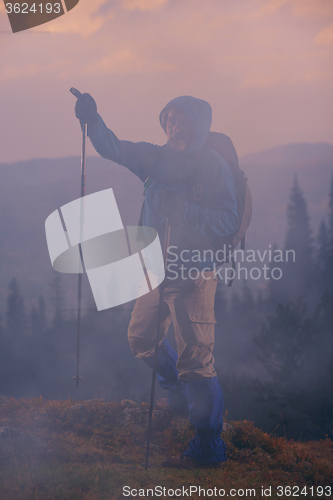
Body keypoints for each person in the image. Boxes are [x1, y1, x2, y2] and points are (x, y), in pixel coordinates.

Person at [75, 94, 239, 468]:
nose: (173, 127)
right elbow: (115, 148)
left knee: (196, 359)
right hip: (154, 267)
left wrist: (187, 212)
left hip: (193, 271)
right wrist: (92, 120)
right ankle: (180, 392)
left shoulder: (211, 165)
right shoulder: (155, 157)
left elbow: (227, 219)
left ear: (197, 127)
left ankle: (208, 446)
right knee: (142, 338)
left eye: (180, 121)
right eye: (169, 120)